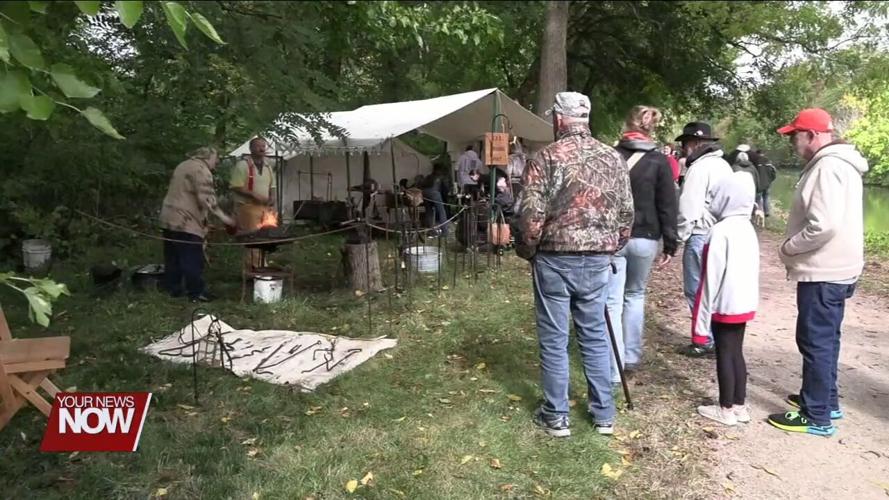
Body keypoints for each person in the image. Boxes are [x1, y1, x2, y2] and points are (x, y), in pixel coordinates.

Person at [516, 91, 634, 437]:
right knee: (595, 336)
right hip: (598, 259)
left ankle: (556, 415)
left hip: (554, 258)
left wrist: (528, 251)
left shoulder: (546, 158)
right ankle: (604, 415)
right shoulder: (613, 159)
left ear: (557, 119)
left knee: (554, 339)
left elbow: (530, 215)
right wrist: (611, 247)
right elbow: (626, 215)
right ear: (586, 118)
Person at [767, 108, 868, 436]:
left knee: (815, 341)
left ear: (812, 135)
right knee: (828, 338)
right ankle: (827, 399)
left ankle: (816, 415)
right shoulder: (843, 164)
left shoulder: (826, 168)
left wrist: (788, 248)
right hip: (840, 267)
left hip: (823, 269)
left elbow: (822, 225)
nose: (793, 142)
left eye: (795, 135)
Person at [605, 106, 679, 384]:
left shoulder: (611, 156)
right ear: (651, 128)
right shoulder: (659, 161)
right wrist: (671, 243)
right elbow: (668, 205)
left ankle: (613, 360)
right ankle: (631, 356)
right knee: (634, 296)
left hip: (614, 237)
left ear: (626, 125)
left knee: (612, 300)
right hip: (646, 237)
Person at [692, 172, 760, 426]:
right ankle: (740, 405)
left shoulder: (719, 232)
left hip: (724, 304)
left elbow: (709, 280)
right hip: (744, 302)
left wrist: (699, 327)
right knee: (737, 352)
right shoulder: (748, 228)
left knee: (724, 353)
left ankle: (725, 408)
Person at [676, 122, 734, 357]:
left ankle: (704, 338)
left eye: (685, 143)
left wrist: (680, 238)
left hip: (701, 234)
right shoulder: (724, 166)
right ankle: (718, 336)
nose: (683, 149)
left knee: (696, 289)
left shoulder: (699, 169)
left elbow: (688, 209)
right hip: (721, 233)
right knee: (716, 288)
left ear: (694, 143)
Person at [159, 147, 235, 302]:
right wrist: (226, 219)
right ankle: (196, 293)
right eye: (216, 157)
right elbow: (206, 200)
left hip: (168, 218)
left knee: (173, 257)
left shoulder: (183, 165)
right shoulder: (201, 170)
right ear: (207, 157)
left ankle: (173, 289)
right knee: (192, 258)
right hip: (185, 221)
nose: (218, 161)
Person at [421, 162, 452, 236]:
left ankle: (432, 230)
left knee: (429, 212)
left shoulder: (429, 176)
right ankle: (444, 231)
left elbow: (422, 185)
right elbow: (445, 189)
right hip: (434, 193)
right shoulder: (441, 177)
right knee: (442, 211)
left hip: (424, 193)